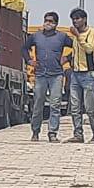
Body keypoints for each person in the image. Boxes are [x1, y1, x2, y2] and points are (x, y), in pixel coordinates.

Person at [23, 12, 72, 142]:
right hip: (40, 74)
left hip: (56, 75)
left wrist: (67, 58)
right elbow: (24, 48)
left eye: (50, 21)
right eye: (46, 20)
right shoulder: (36, 36)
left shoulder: (62, 37)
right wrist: (29, 60)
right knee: (38, 103)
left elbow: (77, 47)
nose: (47, 23)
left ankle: (52, 133)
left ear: (56, 24)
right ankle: (35, 131)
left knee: (55, 104)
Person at [65, 8, 94, 143]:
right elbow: (76, 52)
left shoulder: (90, 32)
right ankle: (78, 134)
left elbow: (89, 49)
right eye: (73, 19)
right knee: (75, 107)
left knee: (89, 107)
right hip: (75, 73)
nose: (75, 21)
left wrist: (78, 36)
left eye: (78, 18)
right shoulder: (75, 36)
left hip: (88, 73)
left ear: (84, 19)